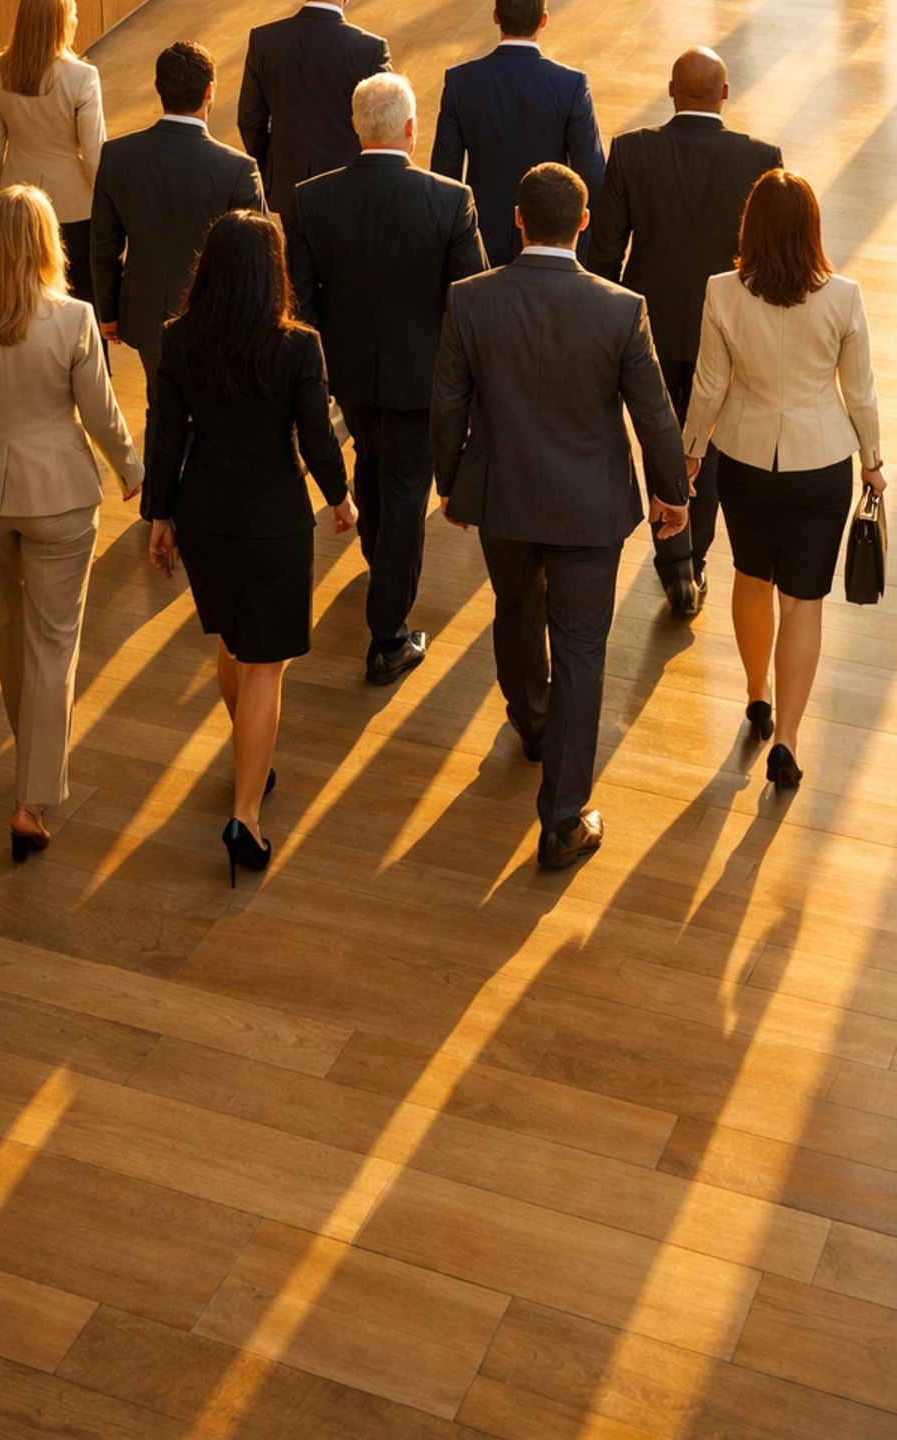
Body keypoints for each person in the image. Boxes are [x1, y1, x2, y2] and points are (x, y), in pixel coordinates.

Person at [431, 164, 689, 869]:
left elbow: (448, 403)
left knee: (515, 609)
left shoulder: (470, 300)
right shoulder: (618, 307)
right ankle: (563, 818)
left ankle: (532, 723)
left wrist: (450, 483)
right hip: (589, 508)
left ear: (517, 219)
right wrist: (673, 496)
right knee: (582, 648)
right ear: (582, 223)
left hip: (503, 499)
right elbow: (655, 413)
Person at [0, 186, 143, 859]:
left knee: (8, 626)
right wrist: (133, 471)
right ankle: (31, 797)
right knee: (54, 640)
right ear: (50, 242)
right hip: (61, 497)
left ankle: (32, 752)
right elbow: (101, 412)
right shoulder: (73, 317)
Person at [145, 211, 357, 883]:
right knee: (267, 663)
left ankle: (250, 758)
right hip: (273, 519)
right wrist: (342, 496)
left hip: (205, 516)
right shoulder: (297, 346)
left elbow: (166, 438)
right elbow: (317, 436)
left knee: (234, 644)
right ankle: (246, 816)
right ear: (273, 272)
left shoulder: (179, 341)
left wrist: (160, 517)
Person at [682, 171, 883, 793]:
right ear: (812, 229)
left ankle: (756, 695)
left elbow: (709, 386)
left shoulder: (721, 292)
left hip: (742, 459)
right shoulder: (844, 296)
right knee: (802, 600)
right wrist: (872, 460)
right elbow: (861, 392)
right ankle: (789, 740)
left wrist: (689, 454)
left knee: (750, 575)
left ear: (751, 227)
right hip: (821, 465)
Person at [288, 72, 485, 686]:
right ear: (410, 129)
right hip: (419, 379)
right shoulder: (450, 200)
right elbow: (471, 299)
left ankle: (382, 566)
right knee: (401, 493)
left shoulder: (311, 198)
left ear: (356, 126)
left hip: (346, 373)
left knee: (372, 469)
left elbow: (300, 298)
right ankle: (388, 637)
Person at [592, 45, 782, 619]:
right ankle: (694, 562)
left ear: (671, 92)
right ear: (725, 95)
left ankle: (675, 564)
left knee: (661, 437)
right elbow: (768, 255)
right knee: (711, 446)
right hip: (727, 330)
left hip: (645, 325)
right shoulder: (761, 159)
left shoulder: (631, 151)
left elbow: (603, 255)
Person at [90, 39, 264, 461]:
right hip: (218, 319)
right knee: (214, 413)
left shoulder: (116, 156)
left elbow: (102, 245)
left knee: (160, 405)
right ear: (210, 91)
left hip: (146, 312)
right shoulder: (238, 168)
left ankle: (158, 510)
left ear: (157, 88)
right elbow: (256, 258)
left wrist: (108, 312)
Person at [430, 0, 607, 267]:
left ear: (496, 17)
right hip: (550, 239)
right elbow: (591, 172)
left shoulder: (461, 82)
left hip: (480, 238)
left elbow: (445, 174)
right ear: (544, 20)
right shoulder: (570, 85)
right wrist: (576, 240)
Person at [237, 0, 390, 219]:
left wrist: (271, 168)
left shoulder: (264, 41)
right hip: (354, 188)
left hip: (289, 185)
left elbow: (250, 120)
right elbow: (384, 122)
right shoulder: (369, 49)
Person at [0, 0, 105, 301]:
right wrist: (108, 200)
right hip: (74, 204)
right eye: (74, 14)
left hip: (15, 198)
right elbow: (93, 154)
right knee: (81, 296)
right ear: (62, 23)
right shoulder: (82, 77)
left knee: (22, 294)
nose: (77, 20)